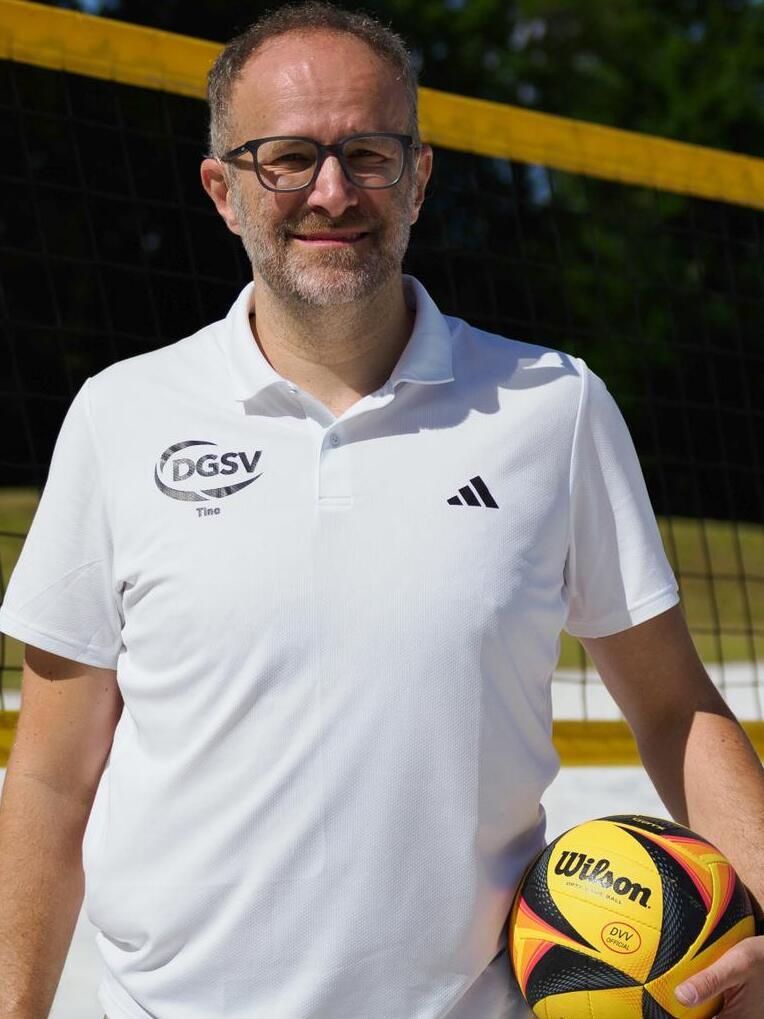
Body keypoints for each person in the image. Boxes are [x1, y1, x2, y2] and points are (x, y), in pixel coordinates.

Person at [0, 3, 762, 1018]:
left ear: (419, 176)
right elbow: (51, 777)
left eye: (367, 152)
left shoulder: (552, 404)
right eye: (287, 157)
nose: (331, 191)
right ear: (222, 191)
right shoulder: (120, 413)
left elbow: (673, 707)